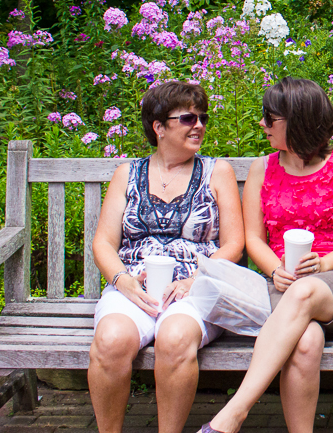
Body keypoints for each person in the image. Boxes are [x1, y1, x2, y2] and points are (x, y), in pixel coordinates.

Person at [202, 76, 333, 433]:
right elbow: (254, 237)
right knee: (307, 341)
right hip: (280, 284)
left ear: (297, 121)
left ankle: (234, 413)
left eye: (271, 118)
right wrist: (274, 268)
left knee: (304, 291)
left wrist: (325, 262)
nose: (262, 124)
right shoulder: (262, 169)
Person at [88, 81, 245, 433]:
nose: (200, 125)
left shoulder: (217, 172)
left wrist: (196, 279)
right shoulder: (127, 174)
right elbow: (103, 243)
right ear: (158, 127)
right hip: (136, 287)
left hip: (198, 284)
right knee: (111, 340)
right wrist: (122, 281)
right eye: (189, 118)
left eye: (203, 117)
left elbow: (234, 243)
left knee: (174, 338)